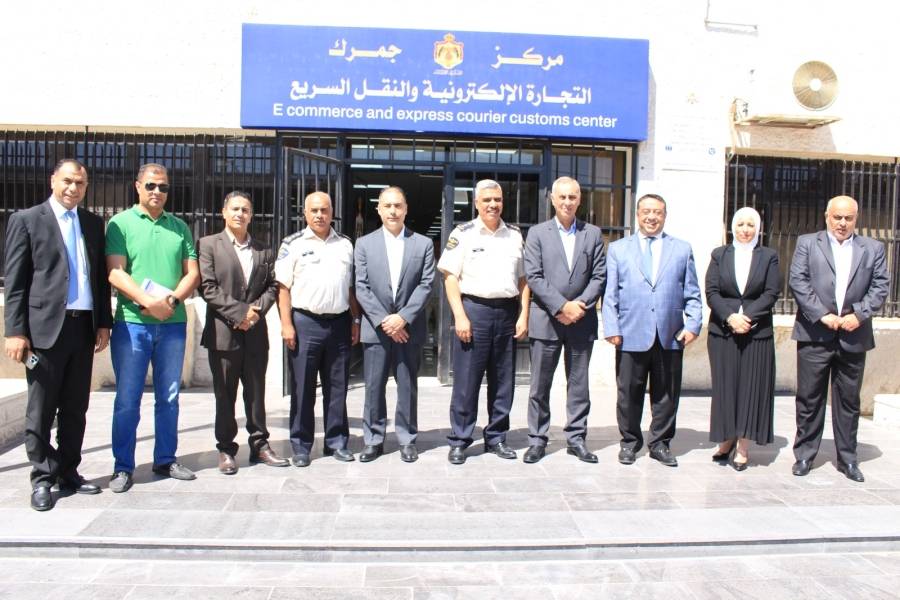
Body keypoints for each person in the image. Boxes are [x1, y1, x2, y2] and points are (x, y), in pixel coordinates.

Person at [4, 159, 112, 511]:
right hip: (44, 331)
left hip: (83, 328)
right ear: (53, 180)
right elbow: (15, 282)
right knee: (41, 409)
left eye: (80, 183)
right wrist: (15, 331)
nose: (73, 188)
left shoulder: (93, 223)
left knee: (75, 408)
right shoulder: (26, 220)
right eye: (67, 181)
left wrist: (103, 322)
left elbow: (99, 279)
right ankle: (42, 477)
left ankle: (68, 472)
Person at [105, 163, 200, 492]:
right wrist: (148, 301)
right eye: (151, 185)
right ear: (137, 186)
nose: (157, 191)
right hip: (133, 324)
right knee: (127, 399)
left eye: (163, 187)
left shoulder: (179, 227)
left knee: (169, 397)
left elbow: (192, 273)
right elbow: (115, 272)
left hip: (172, 325)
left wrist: (170, 301)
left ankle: (165, 459)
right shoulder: (120, 223)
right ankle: (122, 467)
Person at [789, 195, 889, 482]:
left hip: (853, 334)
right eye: (837, 217)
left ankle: (848, 459)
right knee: (810, 398)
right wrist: (822, 314)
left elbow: (881, 285)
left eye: (848, 218)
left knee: (848, 401)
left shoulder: (873, 248)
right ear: (827, 216)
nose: (842, 223)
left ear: (856, 219)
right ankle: (805, 455)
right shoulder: (808, 243)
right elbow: (798, 281)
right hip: (814, 333)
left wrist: (859, 314)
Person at [602, 193, 702, 467]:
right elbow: (610, 294)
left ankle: (660, 443)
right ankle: (629, 443)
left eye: (657, 212)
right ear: (637, 214)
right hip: (629, 332)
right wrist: (611, 327)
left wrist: (693, 324)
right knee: (628, 393)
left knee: (666, 394)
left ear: (665, 216)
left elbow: (692, 293)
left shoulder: (681, 249)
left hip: (670, 334)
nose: (651, 217)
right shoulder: (618, 249)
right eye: (646, 211)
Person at [437, 179, 529, 465]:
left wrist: (523, 314)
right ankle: (460, 439)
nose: (492, 205)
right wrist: (460, 316)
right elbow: (450, 277)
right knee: (466, 381)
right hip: (473, 311)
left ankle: (497, 437)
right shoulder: (463, 234)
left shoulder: (514, 235)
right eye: (487, 200)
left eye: (497, 200)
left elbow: (524, 279)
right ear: (476, 203)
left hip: (506, 312)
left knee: (503, 381)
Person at [198, 191, 288, 474]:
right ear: (224, 212)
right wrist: (240, 313)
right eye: (235, 209)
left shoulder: (264, 250)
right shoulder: (208, 245)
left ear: (251, 215)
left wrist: (255, 312)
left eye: (245, 210)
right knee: (225, 394)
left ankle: (260, 444)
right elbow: (207, 287)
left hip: (255, 334)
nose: (240, 214)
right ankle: (226, 448)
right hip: (223, 334)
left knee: (256, 393)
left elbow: (273, 285)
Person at [522, 177, 606, 464]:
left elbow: (599, 275)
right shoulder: (537, 234)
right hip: (547, 319)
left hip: (581, 321)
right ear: (553, 199)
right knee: (539, 386)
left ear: (579, 199)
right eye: (562, 197)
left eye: (572, 197)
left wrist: (578, 306)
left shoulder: (592, 233)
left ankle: (576, 439)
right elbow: (533, 276)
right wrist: (561, 306)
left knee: (579, 385)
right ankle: (537, 440)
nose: (567, 202)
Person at [275, 191, 361, 467]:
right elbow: (282, 288)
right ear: (305, 213)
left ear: (332, 212)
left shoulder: (345, 244)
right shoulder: (292, 244)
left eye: (324, 210)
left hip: (339, 323)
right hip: (305, 323)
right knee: (303, 388)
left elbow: (350, 288)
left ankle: (336, 442)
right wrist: (286, 324)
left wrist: (355, 320)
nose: (319, 215)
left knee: (338, 387)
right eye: (314, 210)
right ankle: (301, 446)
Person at [354, 187, 435, 463]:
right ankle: (373, 440)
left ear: (406, 209)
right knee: (373, 387)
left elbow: (426, 285)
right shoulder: (364, 244)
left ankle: (407, 439)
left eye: (398, 205)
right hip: (376, 329)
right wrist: (384, 320)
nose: (392, 211)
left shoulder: (422, 244)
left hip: (408, 329)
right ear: (378, 209)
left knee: (407, 386)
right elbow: (361, 286)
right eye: (387, 206)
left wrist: (403, 318)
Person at [705, 206, 781, 471]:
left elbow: (771, 293)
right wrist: (730, 318)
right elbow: (712, 292)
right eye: (740, 224)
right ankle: (726, 439)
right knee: (725, 387)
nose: (745, 230)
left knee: (751, 388)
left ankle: (743, 446)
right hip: (723, 331)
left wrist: (746, 317)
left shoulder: (768, 256)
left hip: (756, 333)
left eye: (751, 225)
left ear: (758, 228)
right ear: (732, 227)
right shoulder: (719, 255)